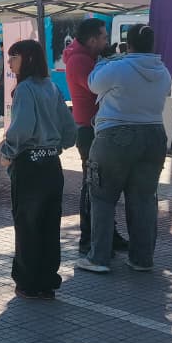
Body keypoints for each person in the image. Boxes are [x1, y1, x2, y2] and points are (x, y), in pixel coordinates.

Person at [75, 25, 172, 275]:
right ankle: (142, 258)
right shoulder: (163, 72)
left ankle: (98, 258)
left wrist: (103, 61)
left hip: (116, 135)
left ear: (128, 45)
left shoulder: (117, 67)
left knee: (103, 197)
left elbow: (93, 84)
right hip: (154, 135)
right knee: (144, 199)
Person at [0, 39, 78, 299]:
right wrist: (56, 146)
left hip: (29, 165)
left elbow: (22, 127)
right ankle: (47, 279)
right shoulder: (51, 87)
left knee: (27, 225)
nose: (9, 62)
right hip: (52, 165)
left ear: (27, 59)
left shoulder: (25, 89)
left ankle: (28, 281)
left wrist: (7, 152)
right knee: (49, 224)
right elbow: (69, 128)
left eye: (14, 57)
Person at [62, 17, 128, 256]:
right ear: (92, 40)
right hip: (90, 130)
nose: (106, 42)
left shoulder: (85, 57)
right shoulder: (79, 60)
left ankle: (107, 234)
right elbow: (98, 86)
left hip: (95, 127)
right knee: (93, 186)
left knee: (102, 186)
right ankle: (89, 238)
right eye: (103, 37)